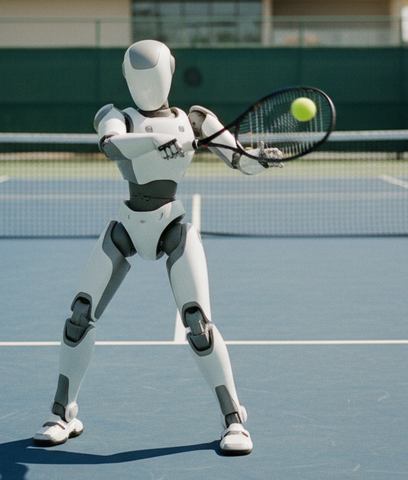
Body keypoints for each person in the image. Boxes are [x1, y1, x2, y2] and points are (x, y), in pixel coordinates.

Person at [34, 39, 276, 456]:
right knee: (78, 316)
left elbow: (239, 159)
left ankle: (233, 418)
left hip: (173, 226)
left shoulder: (195, 119)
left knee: (198, 324)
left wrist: (259, 157)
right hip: (127, 226)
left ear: (169, 71)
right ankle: (62, 413)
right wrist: (154, 143)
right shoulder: (115, 115)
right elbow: (112, 145)